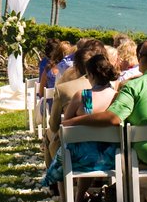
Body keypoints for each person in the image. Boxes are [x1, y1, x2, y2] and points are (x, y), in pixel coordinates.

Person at [65, 39, 147, 198]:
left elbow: (113, 118)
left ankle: (124, 197)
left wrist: (72, 121)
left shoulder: (133, 86)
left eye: (140, 55)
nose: (137, 58)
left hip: (144, 155)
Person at [41, 53, 120, 191]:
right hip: (111, 156)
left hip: (81, 158)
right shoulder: (116, 96)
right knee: (88, 147)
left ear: (91, 75)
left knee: (67, 152)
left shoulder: (85, 96)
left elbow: (65, 126)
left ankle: (65, 201)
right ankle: (80, 198)